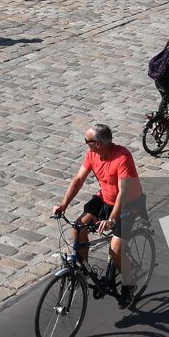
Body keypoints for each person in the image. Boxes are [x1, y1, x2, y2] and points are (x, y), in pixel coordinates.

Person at [52, 123, 143, 308]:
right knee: (78, 228)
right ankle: (82, 271)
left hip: (128, 204)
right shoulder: (92, 154)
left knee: (115, 248)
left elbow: (123, 193)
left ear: (99, 143)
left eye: (88, 141)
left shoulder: (122, 157)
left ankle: (129, 283)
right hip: (105, 199)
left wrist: (111, 220)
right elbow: (78, 179)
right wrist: (64, 204)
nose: (86, 144)